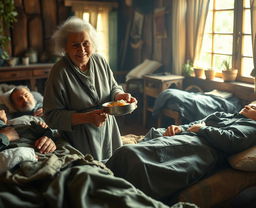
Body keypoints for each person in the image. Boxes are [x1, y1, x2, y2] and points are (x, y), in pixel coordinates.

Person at [106, 104, 256, 202]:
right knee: (138, 147)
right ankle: (103, 178)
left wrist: (202, 129)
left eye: (255, 108)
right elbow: (194, 124)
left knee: (131, 155)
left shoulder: (251, 128)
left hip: (199, 149)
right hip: (186, 137)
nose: (250, 105)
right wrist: (179, 129)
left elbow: (231, 141)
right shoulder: (224, 115)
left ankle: (106, 184)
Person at [43, 16, 137, 161]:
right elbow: (51, 116)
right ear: (65, 48)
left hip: (108, 131)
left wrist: (119, 96)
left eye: (86, 43)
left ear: (92, 43)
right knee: (95, 175)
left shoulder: (100, 61)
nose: (82, 50)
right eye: (75, 45)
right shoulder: (59, 71)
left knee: (115, 167)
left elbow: (113, 87)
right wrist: (86, 118)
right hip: (79, 139)